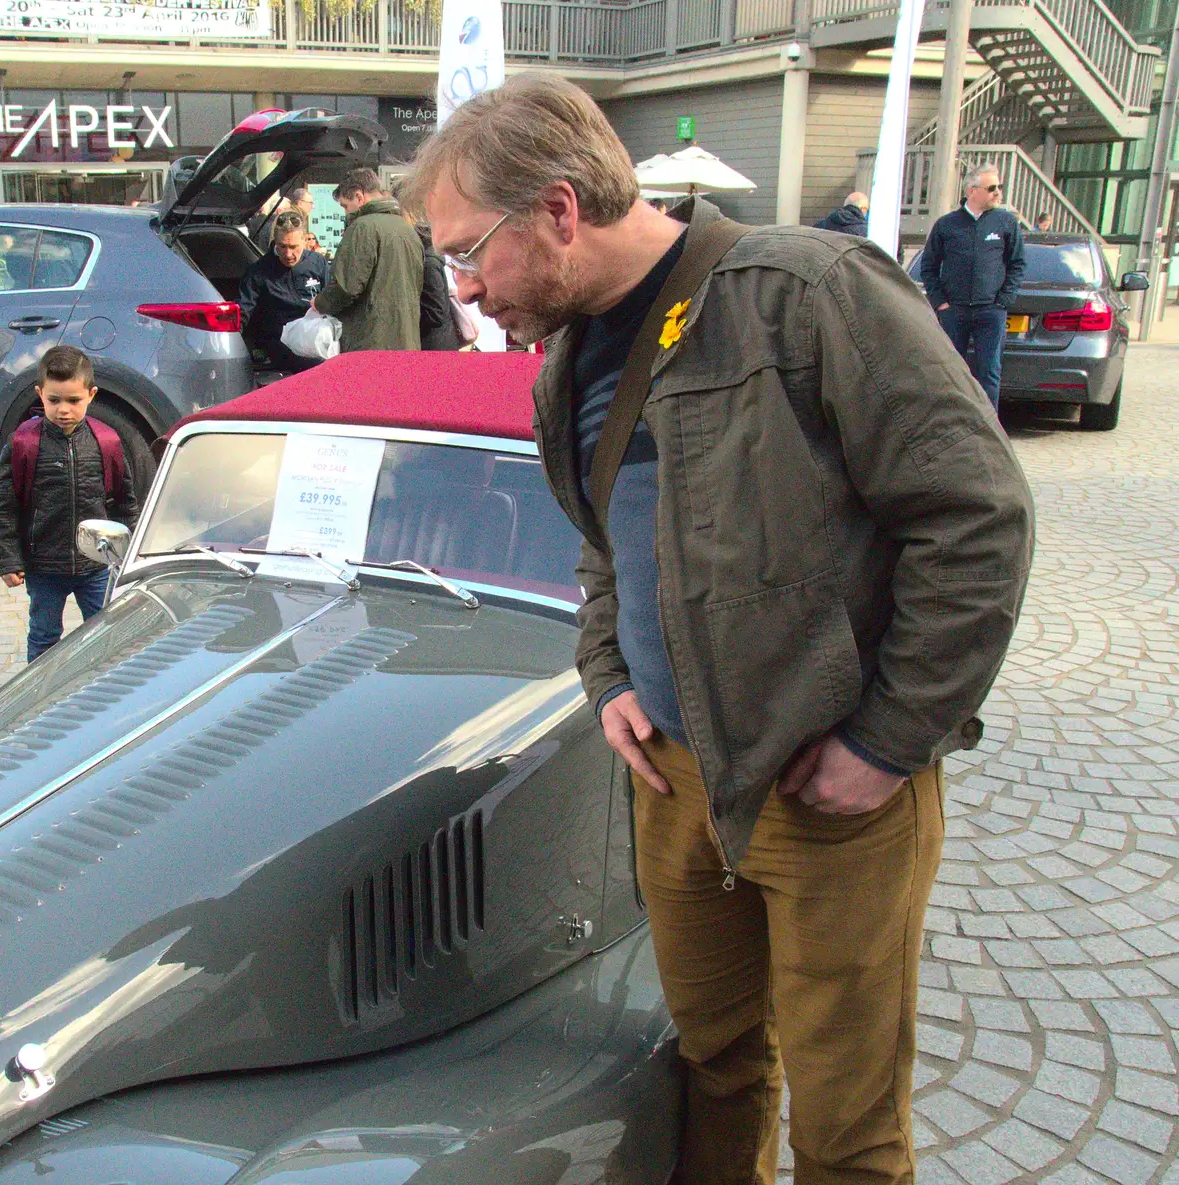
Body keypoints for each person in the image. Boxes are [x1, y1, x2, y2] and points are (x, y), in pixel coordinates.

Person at [408, 74, 1033, 1185]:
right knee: (713, 1066)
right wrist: (606, 677)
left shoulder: (810, 293)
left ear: (557, 210)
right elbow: (602, 547)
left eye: (470, 252)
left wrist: (888, 742)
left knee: (846, 1134)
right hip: (673, 788)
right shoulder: (566, 361)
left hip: (828, 793)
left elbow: (975, 519)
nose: (464, 291)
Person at [0, 345, 138, 662]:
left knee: (106, 631)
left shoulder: (107, 442)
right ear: (39, 394)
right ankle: (39, 697)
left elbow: (125, 503)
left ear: (91, 394)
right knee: (44, 635)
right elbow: (5, 508)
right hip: (43, 566)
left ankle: (103, 691)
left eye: (74, 400)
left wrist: (134, 554)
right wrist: (8, 560)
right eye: (53, 400)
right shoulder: (23, 444)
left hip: (97, 566)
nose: (63, 410)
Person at [919, 164, 1026, 412]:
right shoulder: (947, 224)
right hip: (954, 311)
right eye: (991, 188)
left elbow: (1017, 263)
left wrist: (1004, 299)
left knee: (989, 372)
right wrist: (941, 303)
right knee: (951, 372)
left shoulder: (1006, 222)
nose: (997, 193)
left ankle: (988, 431)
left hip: (990, 310)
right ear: (971, 190)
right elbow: (929, 266)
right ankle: (953, 425)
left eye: (999, 187)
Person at [311, 168, 423, 352]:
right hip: (407, 341)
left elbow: (346, 287)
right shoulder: (407, 229)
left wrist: (320, 303)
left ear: (359, 196)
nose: (346, 214)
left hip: (370, 342)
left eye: (345, 206)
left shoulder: (362, 227)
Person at [239, 210, 331, 373]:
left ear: (305, 240)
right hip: (279, 348)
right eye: (282, 246)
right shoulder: (259, 271)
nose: (288, 254)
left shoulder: (317, 263)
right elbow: (243, 313)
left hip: (316, 343)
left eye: (294, 247)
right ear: (275, 242)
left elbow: (333, 299)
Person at [414, 223, 463, 351]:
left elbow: (435, 313)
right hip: (441, 341)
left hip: (435, 345)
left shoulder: (428, 264)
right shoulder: (431, 260)